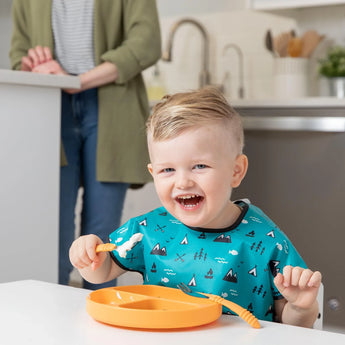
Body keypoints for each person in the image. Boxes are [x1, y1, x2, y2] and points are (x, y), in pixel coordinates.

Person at [69, 87, 322, 327]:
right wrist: (86, 257)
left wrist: (301, 308)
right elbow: (102, 272)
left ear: (236, 171)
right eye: (167, 170)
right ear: (152, 173)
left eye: (200, 166)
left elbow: (291, 325)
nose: (183, 182)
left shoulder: (267, 240)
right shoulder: (146, 229)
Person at [9, 0, 161, 289]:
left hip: (112, 106)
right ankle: (48, 326)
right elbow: (19, 52)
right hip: (49, 106)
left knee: (101, 239)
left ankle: (100, 328)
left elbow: (146, 43)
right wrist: (31, 65)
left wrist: (77, 80)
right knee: (52, 232)